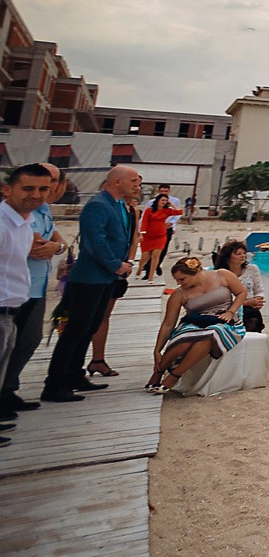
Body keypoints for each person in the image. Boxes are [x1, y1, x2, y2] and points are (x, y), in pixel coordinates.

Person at [42, 165, 141, 403]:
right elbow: (95, 242)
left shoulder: (118, 205)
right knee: (75, 330)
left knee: (89, 327)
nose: (137, 186)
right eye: (134, 181)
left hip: (105, 278)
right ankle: (54, 383)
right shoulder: (98, 205)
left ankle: (75, 374)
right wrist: (116, 265)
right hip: (90, 278)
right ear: (117, 181)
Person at [2, 162, 66, 417]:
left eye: (44, 187)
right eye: (29, 188)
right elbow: (39, 245)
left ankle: (7, 392)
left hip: (29, 290)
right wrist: (53, 246)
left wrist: (57, 247)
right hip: (10, 297)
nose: (37, 194)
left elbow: (56, 242)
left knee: (24, 344)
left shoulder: (35, 213)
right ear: (9, 189)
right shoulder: (12, 218)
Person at [144, 256, 247, 393]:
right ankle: (158, 371)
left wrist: (231, 312)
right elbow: (168, 324)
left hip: (224, 319)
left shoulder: (221, 275)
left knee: (213, 332)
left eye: (182, 279)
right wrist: (157, 350)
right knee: (186, 338)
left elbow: (241, 292)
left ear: (195, 273)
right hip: (195, 321)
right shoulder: (179, 294)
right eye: (177, 280)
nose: (179, 283)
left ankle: (175, 376)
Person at [212, 240, 267, 333]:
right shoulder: (219, 274)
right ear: (228, 257)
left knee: (253, 317)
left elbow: (259, 289)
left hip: (250, 308)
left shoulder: (252, 269)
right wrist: (247, 303)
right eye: (238, 254)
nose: (243, 256)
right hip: (227, 308)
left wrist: (258, 299)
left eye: (244, 253)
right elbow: (219, 298)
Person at [137, 194, 184, 281]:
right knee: (145, 256)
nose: (164, 202)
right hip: (148, 236)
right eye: (162, 200)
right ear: (158, 200)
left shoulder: (166, 211)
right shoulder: (149, 210)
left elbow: (179, 212)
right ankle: (140, 268)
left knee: (156, 255)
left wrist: (171, 204)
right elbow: (144, 222)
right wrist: (141, 234)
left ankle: (151, 276)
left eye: (166, 201)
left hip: (160, 235)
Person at [144, 184, 180, 279]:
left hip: (167, 227)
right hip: (153, 229)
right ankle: (149, 268)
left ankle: (156, 265)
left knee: (163, 249)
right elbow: (145, 215)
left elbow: (178, 214)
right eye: (162, 191)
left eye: (166, 191)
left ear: (169, 191)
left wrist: (172, 224)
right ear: (158, 191)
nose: (164, 193)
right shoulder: (152, 202)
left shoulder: (175, 201)